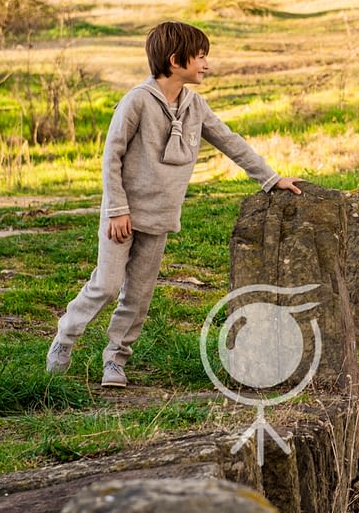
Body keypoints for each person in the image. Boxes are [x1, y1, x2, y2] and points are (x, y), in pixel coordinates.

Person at [46, 20, 301, 387]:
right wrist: (117, 208)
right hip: (123, 215)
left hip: (160, 217)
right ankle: (65, 339)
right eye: (200, 57)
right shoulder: (137, 101)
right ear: (176, 60)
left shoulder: (195, 105)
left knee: (138, 296)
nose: (206, 65)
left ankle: (115, 361)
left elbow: (230, 141)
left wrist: (270, 178)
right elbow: (111, 156)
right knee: (106, 284)